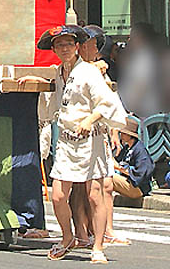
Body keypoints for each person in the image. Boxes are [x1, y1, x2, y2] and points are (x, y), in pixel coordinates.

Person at [25, 24, 127, 264]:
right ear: (54, 49)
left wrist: (90, 120)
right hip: (67, 141)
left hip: (90, 140)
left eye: (69, 44)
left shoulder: (89, 72)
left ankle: (98, 246)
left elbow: (107, 103)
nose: (65, 48)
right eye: (59, 45)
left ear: (77, 47)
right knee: (59, 195)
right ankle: (68, 237)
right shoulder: (59, 72)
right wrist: (35, 80)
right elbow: (54, 98)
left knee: (95, 195)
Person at [71, 25, 130, 247]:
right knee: (80, 186)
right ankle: (81, 232)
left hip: (100, 130)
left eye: (96, 45)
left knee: (105, 185)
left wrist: (114, 131)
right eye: (92, 44)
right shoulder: (76, 68)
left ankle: (106, 230)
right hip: (78, 130)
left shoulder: (100, 68)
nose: (95, 48)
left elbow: (110, 101)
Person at [111, 117, 155, 200]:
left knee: (109, 177)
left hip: (138, 188)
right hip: (128, 181)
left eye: (124, 133)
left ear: (130, 135)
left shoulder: (140, 150)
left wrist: (120, 168)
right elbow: (117, 161)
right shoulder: (126, 148)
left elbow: (142, 172)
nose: (121, 135)